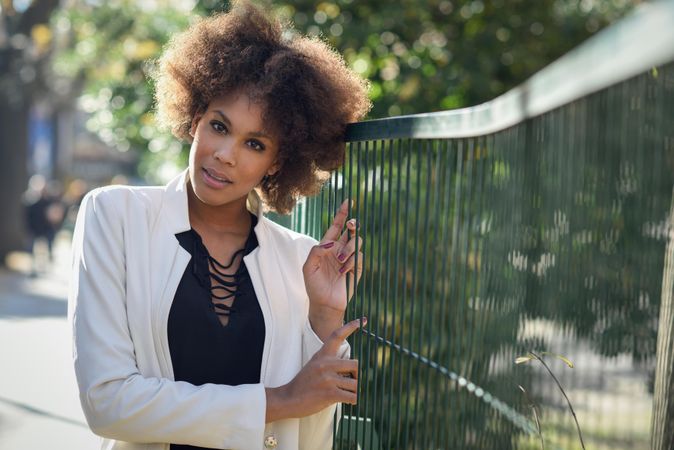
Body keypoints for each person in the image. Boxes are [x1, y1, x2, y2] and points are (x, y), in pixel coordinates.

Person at [67, 1, 371, 450]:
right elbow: (107, 402)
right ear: (195, 121)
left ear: (276, 162)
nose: (226, 154)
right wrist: (277, 400)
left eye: (254, 143)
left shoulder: (301, 261)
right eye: (219, 126)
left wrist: (323, 321)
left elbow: (311, 430)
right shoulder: (115, 217)